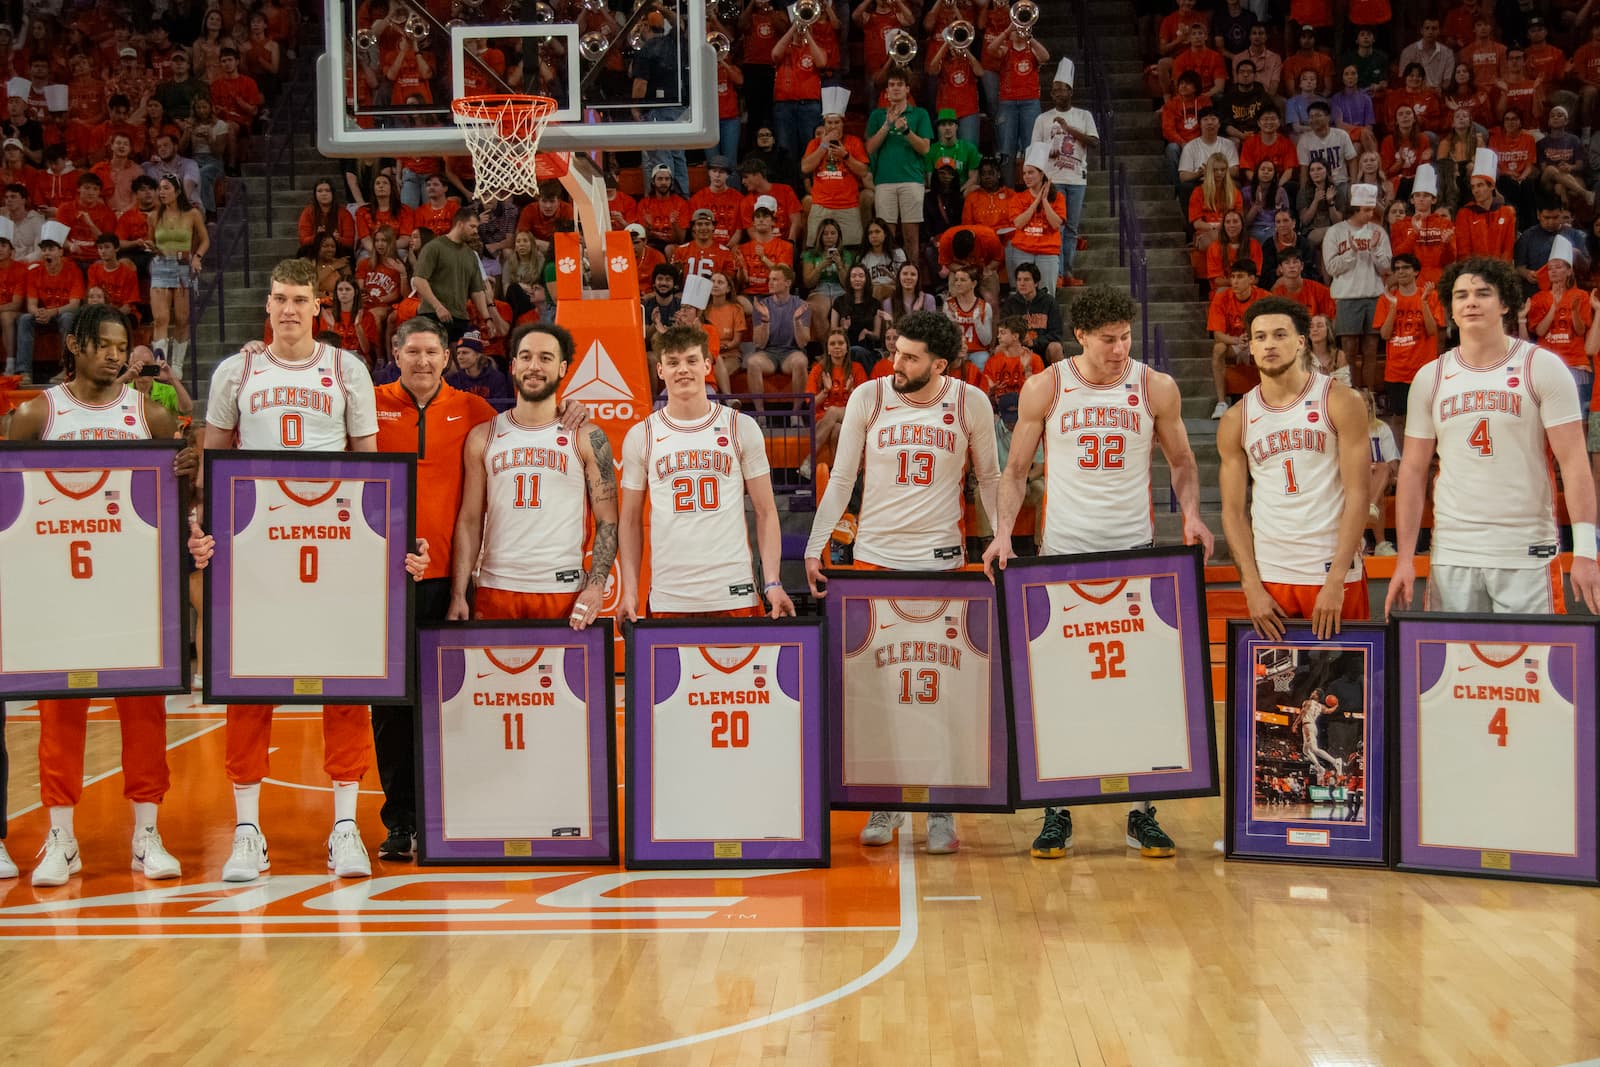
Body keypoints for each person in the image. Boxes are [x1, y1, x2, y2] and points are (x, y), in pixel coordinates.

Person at [188, 258, 429, 882]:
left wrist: (379, 546)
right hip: (256, 549)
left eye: (300, 299)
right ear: (265, 307)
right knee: (248, 688)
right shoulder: (235, 370)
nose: (289, 309)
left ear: (318, 306)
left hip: (333, 543)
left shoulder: (344, 369)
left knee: (343, 685)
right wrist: (205, 531)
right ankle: (247, 830)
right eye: (279, 299)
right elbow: (213, 466)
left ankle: (345, 826)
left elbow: (370, 470)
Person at [980, 286, 1212, 860]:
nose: (1119, 348)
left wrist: (1192, 518)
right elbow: (1014, 471)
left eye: (1125, 337)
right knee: (1060, 687)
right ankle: (1057, 809)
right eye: (1107, 339)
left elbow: (1182, 462)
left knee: (1142, 687)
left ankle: (1142, 812)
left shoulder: (1153, 386)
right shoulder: (1047, 385)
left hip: (1137, 551)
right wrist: (1004, 533)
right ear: (1081, 336)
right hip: (1063, 552)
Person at [5, 304, 195, 886]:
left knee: (145, 712)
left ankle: (146, 832)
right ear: (77, 347)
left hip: (133, 592)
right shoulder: (36, 415)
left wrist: (189, 468)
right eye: (106, 345)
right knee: (60, 713)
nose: (117, 354)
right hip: (62, 593)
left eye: (123, 345)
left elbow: (175, 497)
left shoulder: (150, 414)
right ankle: (61, 835)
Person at [805, 310, 999, 856]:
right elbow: (842, 477)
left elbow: (989, 477)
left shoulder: (970, 402)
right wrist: (815, 544)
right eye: (897, 350)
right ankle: (886, 799)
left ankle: (940, 806)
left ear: (940, 364)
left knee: (939, 691)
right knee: (880, 694)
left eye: (911, 357)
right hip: (872, 560)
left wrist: (1000, 536)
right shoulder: (870, 396)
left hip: (940, 563)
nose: (898, 362)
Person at [1385, 256, 1600, 615]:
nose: (1470, 301)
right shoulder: (1430, 377)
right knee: (1455, 668)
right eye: (1461, 295)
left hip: (1526, 548)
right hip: (1453, 550)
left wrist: (1586, 553)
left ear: (1504, 304)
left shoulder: (1541, 366)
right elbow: (1412, 471)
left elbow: (1575, 464)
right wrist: (1404, 558)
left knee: (1531, 667)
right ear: (1450, 308)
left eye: (1483, 293)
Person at [1217, 296, 1370, 643]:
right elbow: (1232, 512)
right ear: (1250, 347)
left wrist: (1335, 581)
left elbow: (1359, 494)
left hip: (1333, 571)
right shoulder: (1235, 419)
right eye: (1260, 337)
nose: (1269, 344)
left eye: (1280, 334)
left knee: (1348, 691)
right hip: (1273, 576)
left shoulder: (1340, 401)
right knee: (1279, 693)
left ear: (1301, 342)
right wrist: (1251, 586)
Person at [618, 323, 795, 620]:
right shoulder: (642, 435)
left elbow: (766, 512)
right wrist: (631, 591)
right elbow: (630, 521)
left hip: (733, 588)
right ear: (660, 370)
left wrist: (773, 582)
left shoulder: (740, 426)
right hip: (670, 595)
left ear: (707, 365)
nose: (682, 370)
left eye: (690, 360)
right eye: (673, 363)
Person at [451, 320, 618, 629]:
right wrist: (459, 592)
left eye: (546, 358)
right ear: (513, 365)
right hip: (496, 585)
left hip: (562, 589)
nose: (534, 366)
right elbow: (470, 519)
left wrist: (595, 587)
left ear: (563, 368)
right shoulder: (482, 436)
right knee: (493, 677)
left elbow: (607, 520)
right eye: (526, 356)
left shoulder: (587, 437)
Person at [1029, 59, 1098, 287]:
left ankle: (1067, 272)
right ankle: (1057, 274)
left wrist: (1069, 130)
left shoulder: (1083, 115)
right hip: (1052, 180)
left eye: (1062, 89)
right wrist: (1047, 157)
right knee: (1055, 225)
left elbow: (1094, 142)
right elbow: (1034, 151)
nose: (1058, 93)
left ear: (1070, 91)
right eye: (1055, 90)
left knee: (1071, 228)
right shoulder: (1042, 119)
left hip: (1077, 178)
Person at [1324, 183, 1392, 395]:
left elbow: (1386, 267)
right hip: (1347, 297)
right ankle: (1351, 393)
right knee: (1349, 350)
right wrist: (1351, 252)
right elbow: (1331, 267)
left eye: (1372, 210)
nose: (1371, 214)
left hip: (1374, 295)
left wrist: (1372, 250)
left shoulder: (1378, 232)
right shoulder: (1335, 232)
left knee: (1371, 349)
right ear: (1353, 209)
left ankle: (1370, 393)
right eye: (1366, 210)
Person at [412, 203, 508, 346]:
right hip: (432, 315)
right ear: (460, 224)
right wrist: (438, 306)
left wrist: (487, 318)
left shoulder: (470, 255)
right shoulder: (434, 247)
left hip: (460, 318)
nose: (476, 231)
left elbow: (477, 291)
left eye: (477, 227)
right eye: (472, 226)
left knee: (457, 363)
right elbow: (419, 280)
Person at [866, 69, 933, 265]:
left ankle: (913, 277)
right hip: (884, 180)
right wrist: (887, 125)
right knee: (886, 235)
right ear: (886, 92)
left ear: (907, 89)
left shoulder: (919, 114)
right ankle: (888, 278)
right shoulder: (877, 115)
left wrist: (906, 131)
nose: (895, 89)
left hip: (911, 179)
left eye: (899, 85)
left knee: (911, 235)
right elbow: (870, 147)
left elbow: (925, 148)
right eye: (892, 85)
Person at [1374, 253, 1444, 435]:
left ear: (1416, 272)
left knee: (1428, 417)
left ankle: (1428, 461)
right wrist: (1393, 306)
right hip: (1396, 371)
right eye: (1397, 268)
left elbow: (1432, 330)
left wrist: (1424, 303)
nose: (1400, 272)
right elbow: (1385, 334)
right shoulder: (1386, 299)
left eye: (1405, 268)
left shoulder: (1430, 295)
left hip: (1423, 369)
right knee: (1398, 418)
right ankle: (1402, 460)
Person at [147, 174, 209, 378]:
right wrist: (151, 247)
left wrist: (197, 257)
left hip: (184, 267)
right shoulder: (154, 216)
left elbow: (204, 240)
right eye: (160, 189)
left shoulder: (192, 214)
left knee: (182, 319)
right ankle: (159, 363)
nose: (161, 192)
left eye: (166, 188)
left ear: (177, 191)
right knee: (160, 319)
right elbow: (152, 243)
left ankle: (177, 364)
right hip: (161, 266)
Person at [14, 221, 82, 383]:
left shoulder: (73, 270)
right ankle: (24, 372)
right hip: (44, 315)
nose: (46, 253)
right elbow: (31, 304)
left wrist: (53, 311)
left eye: (51, 249)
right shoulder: (35, 271)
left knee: (67, 317)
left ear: (60, 252)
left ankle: (68, 368)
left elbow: (75, 304)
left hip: (62, 314)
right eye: (44, 250)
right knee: (24, 319)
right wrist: (38, 312)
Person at [1208, 258, 1270, 414]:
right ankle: (1221, 403)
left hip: (1257, 343)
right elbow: (1217, 334)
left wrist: (1254, 340)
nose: (1234, 281)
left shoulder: (1265, 298)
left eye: (1240, 277)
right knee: (1218, 348)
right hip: (1233, 344)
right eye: (1233, 277)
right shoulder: (1221, 298)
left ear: (1251, 279)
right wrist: (1236, 340)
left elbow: (1273, 328)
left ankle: (1270, 397)